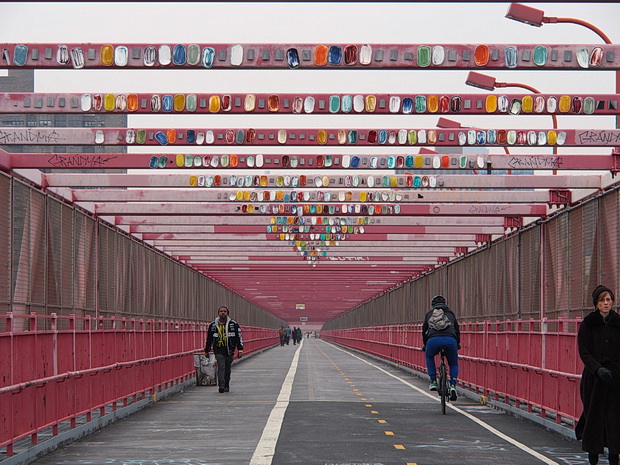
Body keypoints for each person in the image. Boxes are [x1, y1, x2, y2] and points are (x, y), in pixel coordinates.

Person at [576, 285, 620, 465]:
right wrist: (597, 368)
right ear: (596, 303)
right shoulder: (588, 324)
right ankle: (593, 457)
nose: (606, 303)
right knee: (593, 417)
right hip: (593, 380)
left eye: (609, 300)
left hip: (615, 379)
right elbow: (584, 351)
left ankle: (614, 457)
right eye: (602, 300)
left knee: (614, 419)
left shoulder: (618, 323)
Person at [422, 295, 460, 402]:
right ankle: (452, 385)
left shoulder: (429, 314)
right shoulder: (450, 313)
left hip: (433, 340)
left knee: (429, 356)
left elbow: (424, 331)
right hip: (450, 340)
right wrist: (457, 343)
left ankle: (433, 381)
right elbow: (457, 329)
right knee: (453, 363)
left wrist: (425, 344)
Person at [205, 306, 244, 393]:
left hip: (230, 350)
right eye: (221, 311)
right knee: (221, 366)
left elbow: (239, 337)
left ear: (227, 313)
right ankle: (221, 385)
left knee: (227, 368)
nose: (223, 313)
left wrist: (240, 349)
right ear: (218, 313)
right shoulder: (213, 325)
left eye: (224, 311)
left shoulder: (234, 324)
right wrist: (206, 350)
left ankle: (226, 384)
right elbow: (209, 339)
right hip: (218, 350)